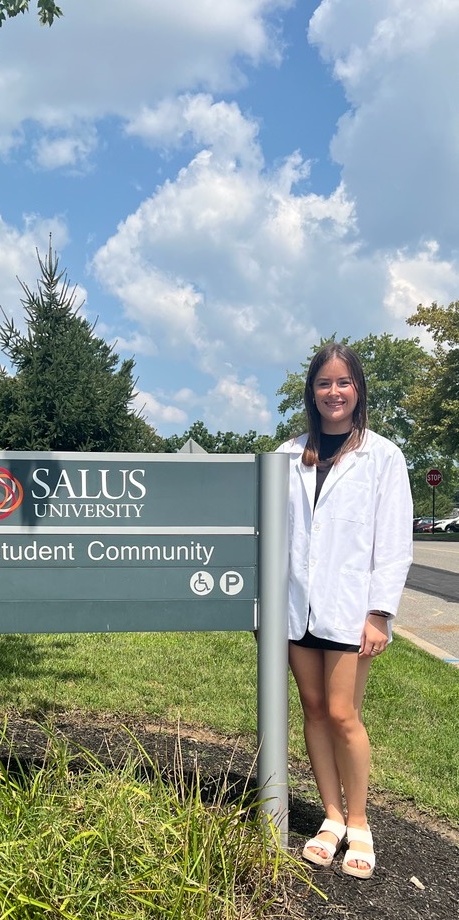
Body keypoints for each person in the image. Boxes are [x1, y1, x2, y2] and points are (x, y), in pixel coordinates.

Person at [277, 342, 412, 879]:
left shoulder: (382, 455)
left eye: (344, 383)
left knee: (342, 714)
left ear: (358, 391)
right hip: (297, 607)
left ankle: (359, 821)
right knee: (312, 711)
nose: (334, 392)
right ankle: (330, 816)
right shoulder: (289, 453)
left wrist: (380, 612)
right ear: (312, 392)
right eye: (324, 383)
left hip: (351, 608)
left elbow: (395, 541)